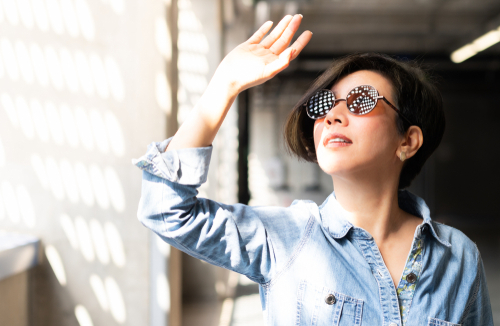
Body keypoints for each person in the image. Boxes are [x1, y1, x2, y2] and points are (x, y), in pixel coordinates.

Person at [133, 14, 493, 326]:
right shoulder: (285, 238)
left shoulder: (458, 257)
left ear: (408, 141)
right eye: (324, 103)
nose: (332, 115)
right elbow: (166, 209)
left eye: (361, 101)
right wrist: (224, 85)